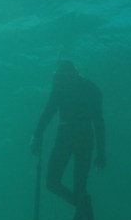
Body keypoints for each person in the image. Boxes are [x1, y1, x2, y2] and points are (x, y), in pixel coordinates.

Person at [30, 60, 106, 207]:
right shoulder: (92, 88)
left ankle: (79, 205)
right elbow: (99, 123)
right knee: (79, 189)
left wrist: (37, 136)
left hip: (65, 136)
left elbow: (48, 113)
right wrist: (101, 153)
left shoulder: (60, 86)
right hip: (85, 137)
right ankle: (81, 205)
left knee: (52, 182)